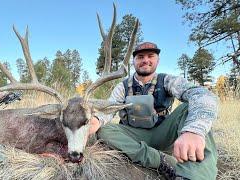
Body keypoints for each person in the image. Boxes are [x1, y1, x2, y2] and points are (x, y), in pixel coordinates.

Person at [89, 42, 218, 180]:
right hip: (133, 135)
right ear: (134, 61)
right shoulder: (123, 86)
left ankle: (193, 175)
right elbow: (108, 108)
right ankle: (158, 159)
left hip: (162, 133)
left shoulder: (167, 80)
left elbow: (201, 95)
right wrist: (96, 120)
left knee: (187, 109)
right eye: (140, 57)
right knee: (104, 130)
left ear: (157, 60)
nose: (145, 60)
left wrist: (194, 130)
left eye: (151, 56)